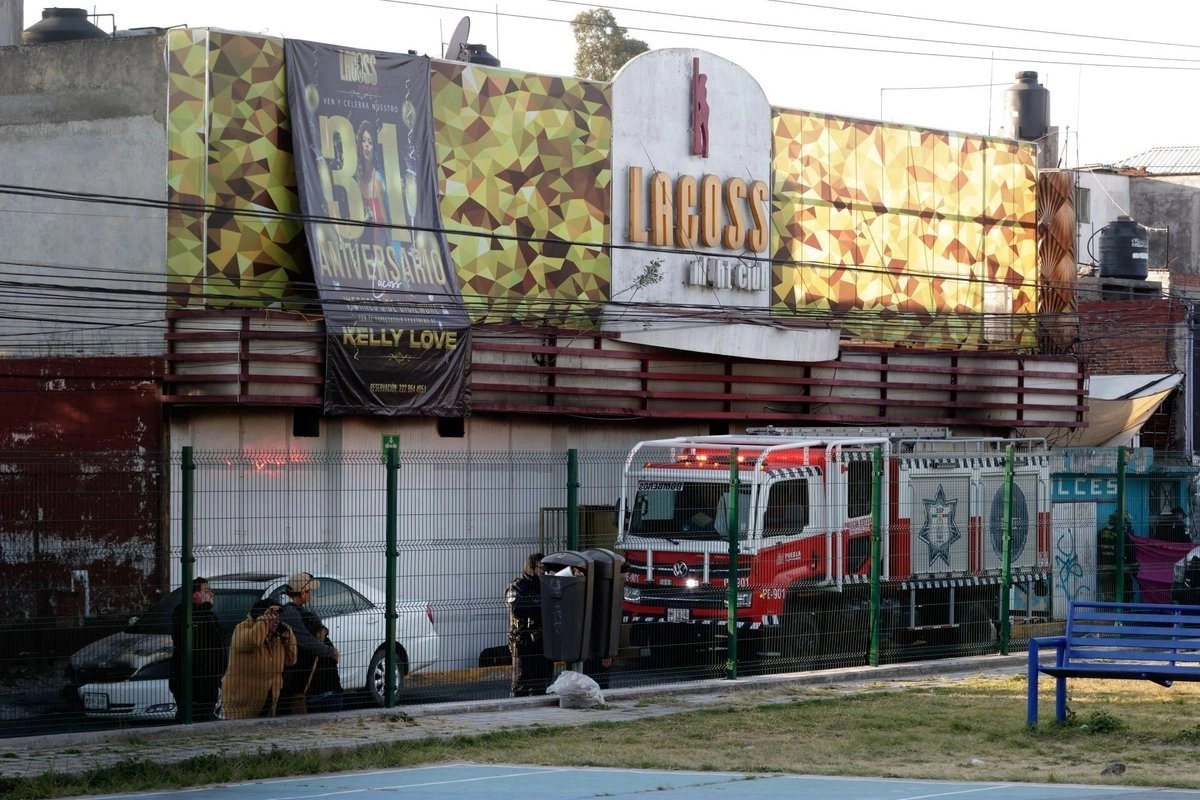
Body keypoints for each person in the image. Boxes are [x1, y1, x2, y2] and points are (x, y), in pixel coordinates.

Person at [220, 599, 296, 720]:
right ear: (261, 616)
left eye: (278, 616)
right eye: (272, 615)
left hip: (267, 701)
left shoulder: (276, 637)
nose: (276, 620)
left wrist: (288, 638)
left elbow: (291, 660)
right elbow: (252, 642)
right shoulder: (242, 628)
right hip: (241, 704)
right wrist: (264, 621)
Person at [278, 571, 339, 714]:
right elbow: (307, 641)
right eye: (309, 591)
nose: (311, 595)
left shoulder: (302, 610)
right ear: (303, 593)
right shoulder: (290, 613)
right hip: (305, 680)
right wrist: (331, 651)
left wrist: (323, 630)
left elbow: (317, 626)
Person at [169, 577, 227, 722]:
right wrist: (205, 607)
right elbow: (191, 636)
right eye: (207, 591)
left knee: (206, 715)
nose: (211, 594)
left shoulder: (210, 616)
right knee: (190, 715)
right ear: (195, 595)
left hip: (210, 678)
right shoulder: (182, 613)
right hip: (192, 679)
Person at [505, 552, 553, 697]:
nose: (542, 571)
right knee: (522, 686)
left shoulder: (547, 585)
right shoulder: (517, 586)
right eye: (539, 567)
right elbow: (517, 609)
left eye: (544, 568)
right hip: (524, 642)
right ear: (531, 567)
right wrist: (540, 604)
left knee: (541, 686)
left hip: (543, 642)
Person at [304, 624, 345, 713]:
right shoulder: (329, 645)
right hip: (334, 694)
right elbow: (335, 660)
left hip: (317, 696)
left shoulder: (309, 646)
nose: (321, 635)